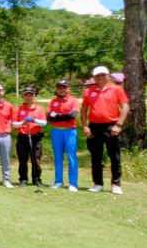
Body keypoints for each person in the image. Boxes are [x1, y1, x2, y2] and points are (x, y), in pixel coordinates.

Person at [81, 66, 130, 195]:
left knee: (114, 156)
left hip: (111, 126)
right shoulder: (88, 91)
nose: (100, 77)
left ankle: (116, 184)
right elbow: (84, 109)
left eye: (103, 75)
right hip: (94, 127)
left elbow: (125, 107)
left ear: (107, 76)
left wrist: (118, 125)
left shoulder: (116, 89)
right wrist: (85, 126)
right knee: (96, 157)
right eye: (97, 75)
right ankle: (98, 183)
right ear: (94, 77)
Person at [47, 80, 80, 192]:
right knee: (58, 157)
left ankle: (73, 183)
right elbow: (49, 117)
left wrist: (57, 116)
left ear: (68, 89)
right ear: (57, 90)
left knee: (71, 157)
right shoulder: (53, 101)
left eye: (64, 87)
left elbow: (72, 115)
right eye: (59, 88)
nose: (62, 89)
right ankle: (58, 181)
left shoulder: (73, 101)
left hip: (70, 131)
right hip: (56, 131)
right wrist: (60, 116)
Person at [12, 87, 47, 188]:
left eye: (30, 94)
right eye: (26, 95)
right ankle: (23, 179)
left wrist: (34, 120)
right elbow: (14, 124)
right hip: (23, 137)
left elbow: (44, 123)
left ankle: (36, 179)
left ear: (34, 96)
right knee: (22, 160)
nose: (28, 97)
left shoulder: (39, 109)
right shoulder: (18, 109)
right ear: (23, 96)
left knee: (36, 160)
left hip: (35, 137)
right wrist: (23, 123)